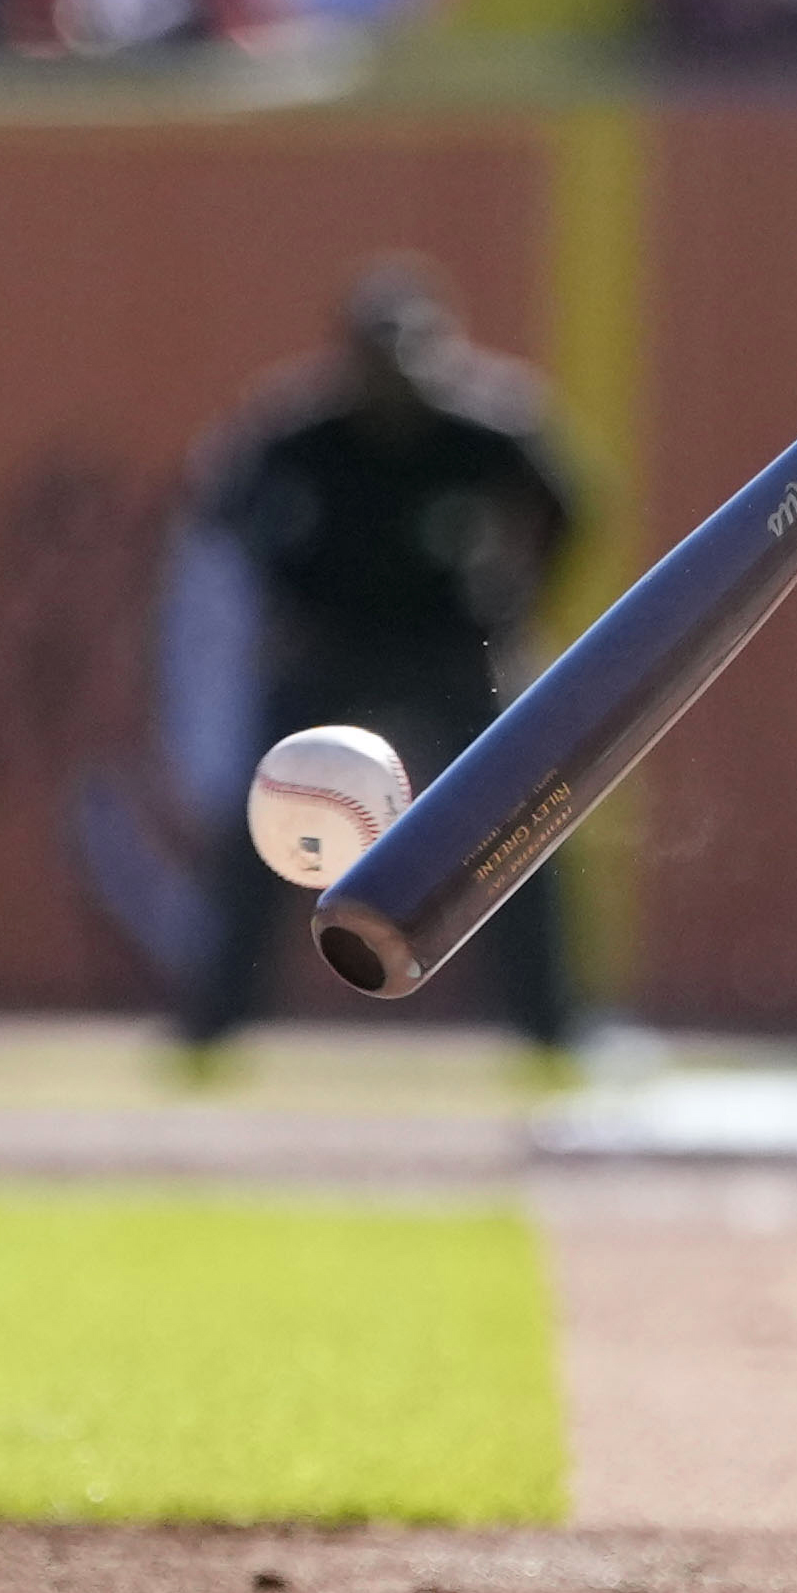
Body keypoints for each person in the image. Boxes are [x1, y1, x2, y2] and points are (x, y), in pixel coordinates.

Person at [176, 263, 582, 1058]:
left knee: (517, 819)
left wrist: (520, 603)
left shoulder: (484, 426)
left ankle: (553, 1025)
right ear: (348, 361)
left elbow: (569, 504)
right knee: (261, 827)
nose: (394, 382)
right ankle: (213, 1022)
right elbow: (225, 506)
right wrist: (285, 596)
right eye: (378, 360)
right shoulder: (301, 429)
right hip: (333, 648)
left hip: (449, 647)